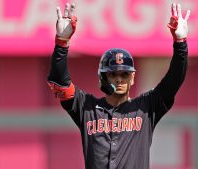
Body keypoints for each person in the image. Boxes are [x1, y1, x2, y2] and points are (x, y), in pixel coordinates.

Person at [47, 2, 190, 169]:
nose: (119, 79)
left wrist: (180, 43)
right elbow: (59, 83)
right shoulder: (87, 108)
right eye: (113, 74)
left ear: (133, 77)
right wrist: (62, 43)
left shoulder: (146, 108)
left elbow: (174, 80)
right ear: (102, 78)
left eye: (124, 74)